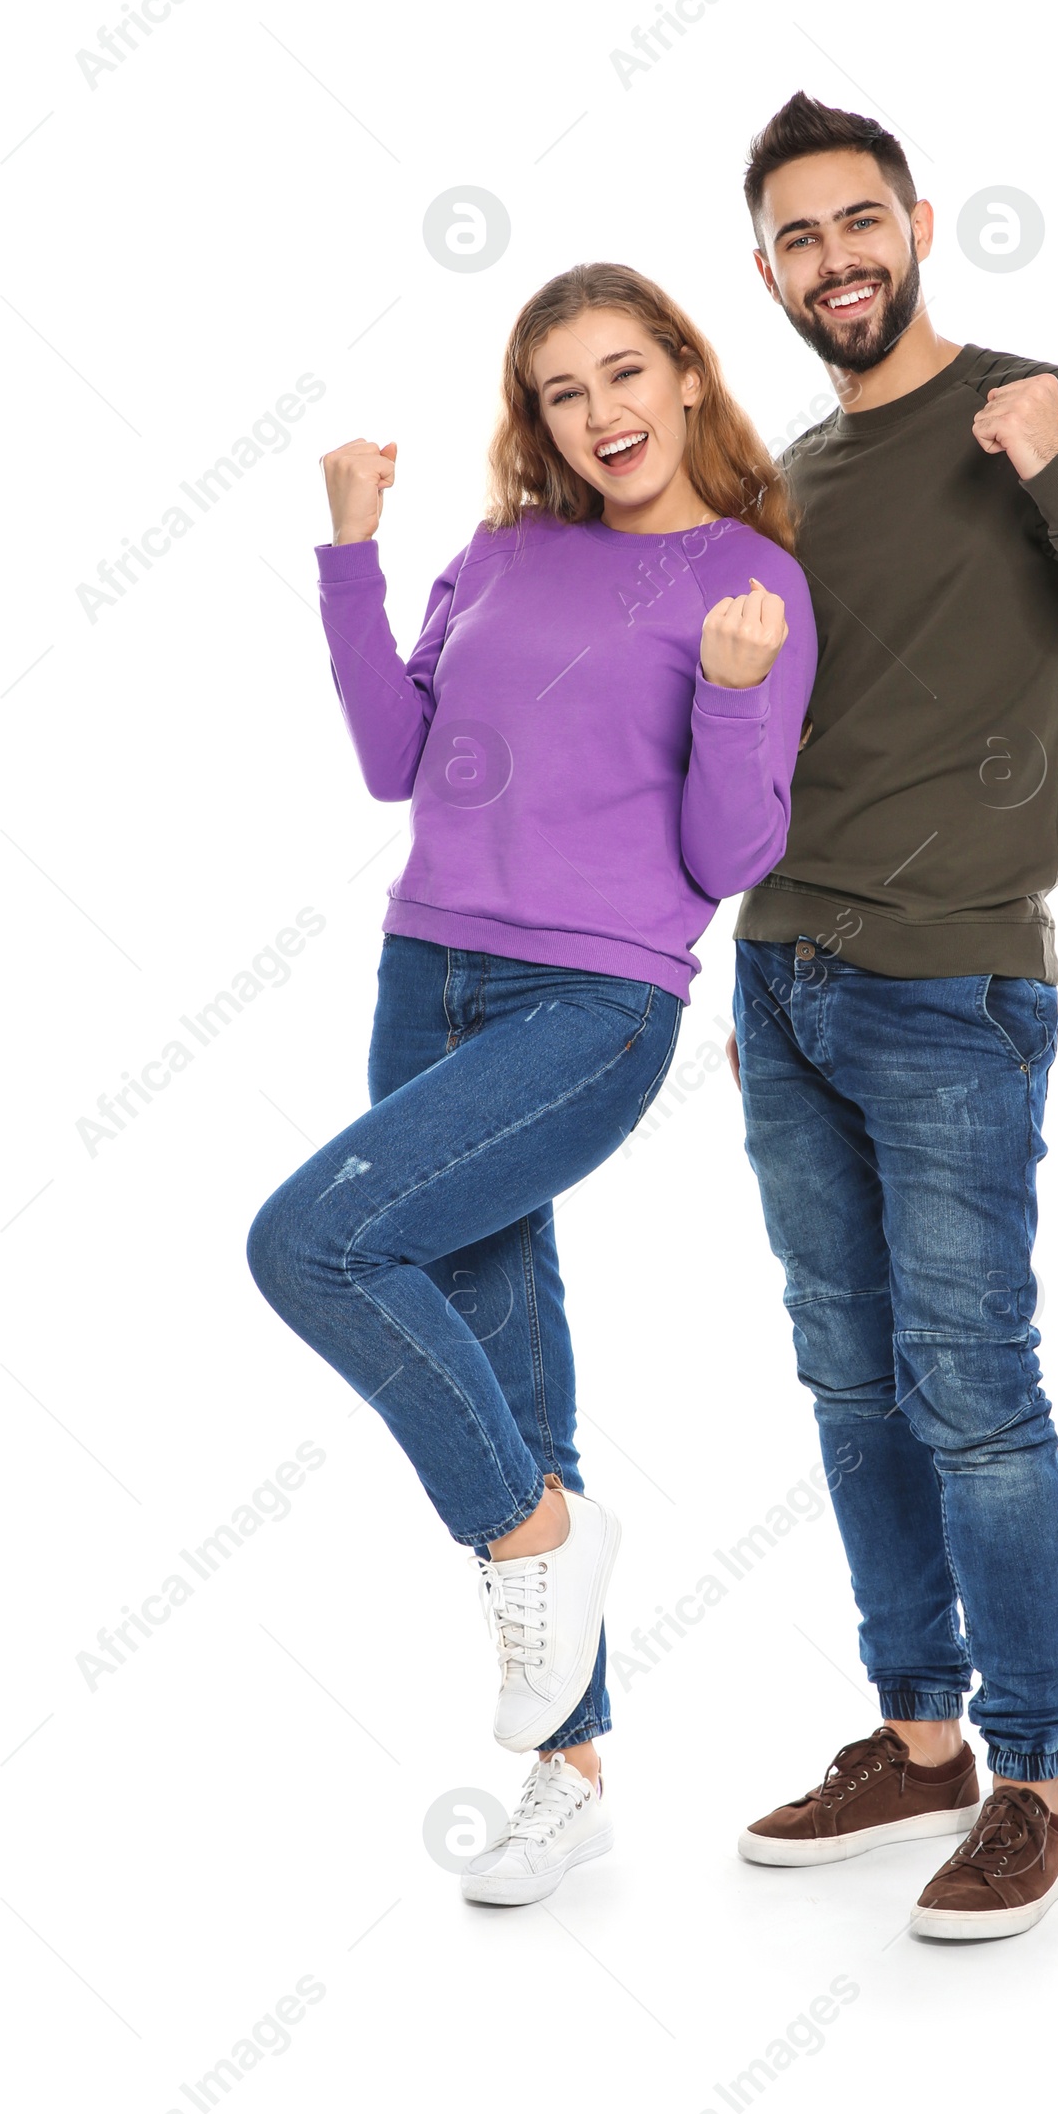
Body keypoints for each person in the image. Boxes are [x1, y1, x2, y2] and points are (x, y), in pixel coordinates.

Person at [728, 94, 1058, 1940]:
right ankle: (919, 1738)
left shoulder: (1040, 405)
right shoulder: (784, 476)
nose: (835, 259)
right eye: (797, 238)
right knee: (846, 1377)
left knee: (973, 1390)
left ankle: (1034, 1781)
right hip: (780, 983)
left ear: (920, 223)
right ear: (768, 269)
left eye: (858, 221)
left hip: (954, 983)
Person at [247, 263, 816, 1907]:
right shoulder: (502, 552)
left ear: (690, 381)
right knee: (501, 1335)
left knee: (316, 1248)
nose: (601, 414)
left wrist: (728, 683)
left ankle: (534, 1539)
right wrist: (350, 552)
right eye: (563, 391)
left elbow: (731, 857)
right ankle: (569, 1774)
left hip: (597, 1000)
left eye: (626, 374)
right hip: (425, 975)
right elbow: (391, 757)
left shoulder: (752, 578)